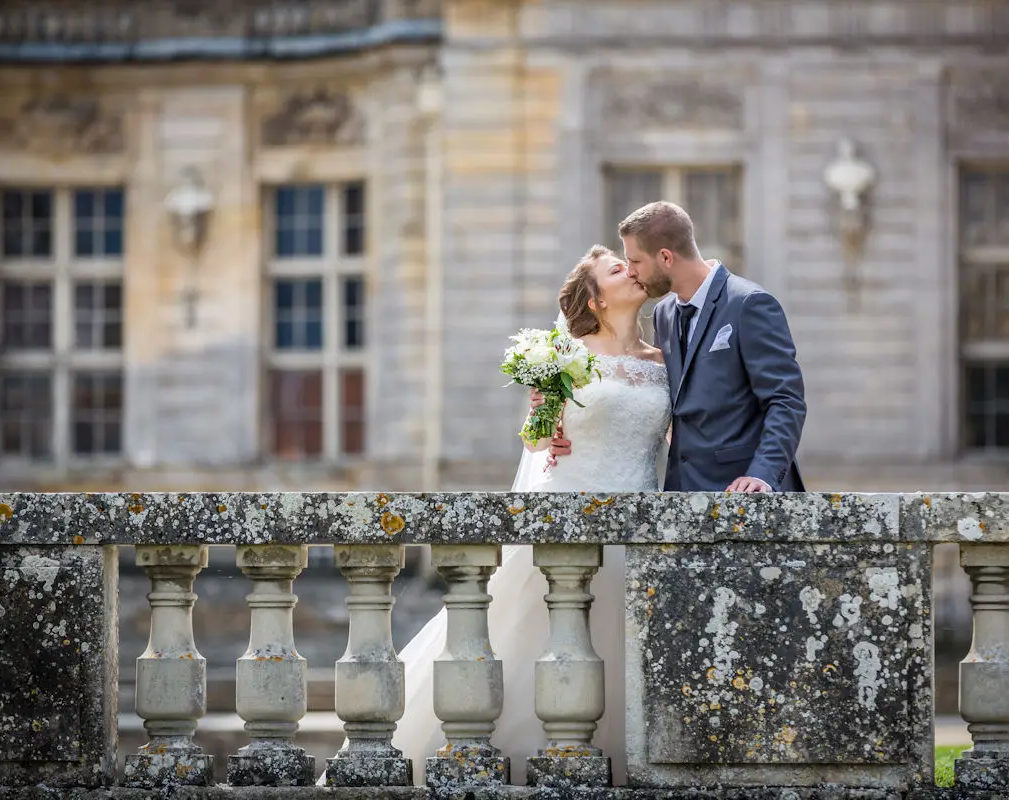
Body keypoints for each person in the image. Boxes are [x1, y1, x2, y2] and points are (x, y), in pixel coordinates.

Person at [320, 244, 669, 787]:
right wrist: (542, 421)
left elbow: (678, 435)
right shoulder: (564, 354)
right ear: (596, 298)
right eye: (617, 268)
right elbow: (535, 440)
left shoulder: (663, 362)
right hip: (571, 509)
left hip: (640, 520)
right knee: (534, 642)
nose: (634, 271)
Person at [551, 200, 807, 493]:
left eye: (634, 261)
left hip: (744, 492)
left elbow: (785, 398)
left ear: (665, 257)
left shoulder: (749, 304)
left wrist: (762, 474)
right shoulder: (665, 314)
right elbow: (671, 402)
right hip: (680, 494)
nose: (631, 272)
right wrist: (570, 427)